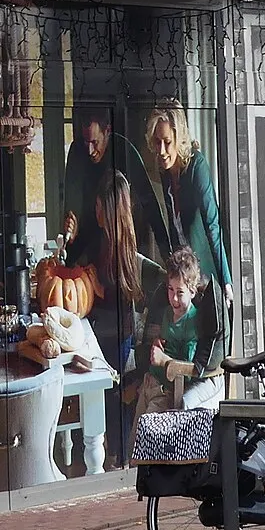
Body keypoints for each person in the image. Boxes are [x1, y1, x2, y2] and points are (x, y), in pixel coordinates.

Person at [86, 169, 159, 469]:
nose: (96, 210)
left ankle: (118, 456)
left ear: (108, 208)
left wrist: (95, 287)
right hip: (106, 334)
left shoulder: (125, 250)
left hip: (118, 339)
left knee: (109, 395)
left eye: (100, 205)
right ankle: (115, 453)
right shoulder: (103, 242)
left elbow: (121, 305)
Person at [143, 104, 231, 289]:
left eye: (166, 142)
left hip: (206, 271)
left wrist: (226, 281)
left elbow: (212, 225)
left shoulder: (196, 166)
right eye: (157, 142)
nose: (161, 150)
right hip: (184, 275)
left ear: (179, 138)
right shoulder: (165, 169)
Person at [60, 102, 156, 268]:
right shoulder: (77, 152)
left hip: (121, 241)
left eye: (94, 142)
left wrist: (167, 253)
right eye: (85, 142)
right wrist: (72, 228)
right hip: (86, 240)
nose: (89, 150)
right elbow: (71, 203)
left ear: (108, 131)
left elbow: (150, 203)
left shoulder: (126, 151)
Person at [133, 247, 221, 416]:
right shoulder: (167, 313)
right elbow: (168, 340)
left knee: (149, 438)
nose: (174, 298)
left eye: (180, 292)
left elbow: (186, 370)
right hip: (149, 383)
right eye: (170, 289)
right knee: (134, 439)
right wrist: (157, 342)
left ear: (192, 291)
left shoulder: (193, 324)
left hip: (164, 392)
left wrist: (163, 360)